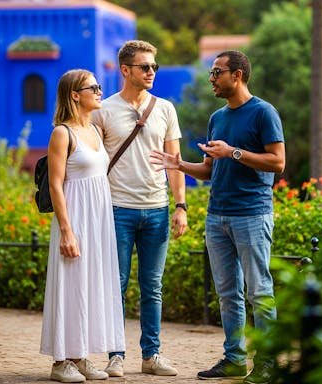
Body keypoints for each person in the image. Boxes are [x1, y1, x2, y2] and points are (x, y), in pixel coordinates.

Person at [150, 50, 285, 384]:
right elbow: (210, 169)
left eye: (216, 72)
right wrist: (179, 165)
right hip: (217, 216)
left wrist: (234, 152)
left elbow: (278, 162)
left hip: (252, 214)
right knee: (228, 294)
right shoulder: (217, 118)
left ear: (236, 75)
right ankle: (235, 359)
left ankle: (267, 362)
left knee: (259, 291)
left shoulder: (263, 112)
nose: (211, 78)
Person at [91, 40, 187, 377]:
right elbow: (91, 162)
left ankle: (152, 355)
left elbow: (174, 163)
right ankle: (116, 355)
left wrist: (180, 206)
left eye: (154, 67)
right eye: (144, 67)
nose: (151, 72)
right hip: (117, 209)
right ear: (126, 70)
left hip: (158, 209)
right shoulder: (102, 110)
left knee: (153, 286)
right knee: (115, 285)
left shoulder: (165, 109)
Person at [40, 69, 125, 383]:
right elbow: (56, 185)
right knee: (71, 284)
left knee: (90, 285)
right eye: (94, 87)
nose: (100, 91)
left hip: (98, 219)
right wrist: (66, 230)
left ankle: (80, 355)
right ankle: (61, 361)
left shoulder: (94, 130)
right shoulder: (62, 133)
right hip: (75, 216)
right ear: (75, 94)